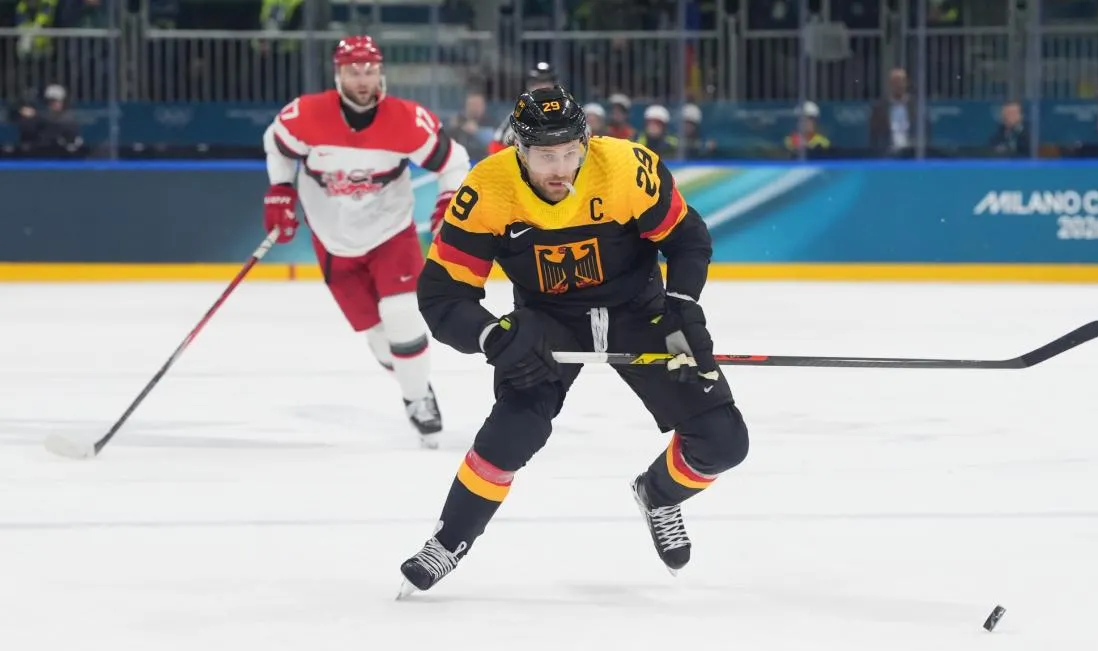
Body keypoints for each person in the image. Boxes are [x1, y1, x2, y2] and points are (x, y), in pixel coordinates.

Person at [396, 86, 750, 597]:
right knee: (513, 430)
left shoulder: (625, 167)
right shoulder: (487, 189)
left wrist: (683, 305)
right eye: (545, 156)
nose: (561, 168)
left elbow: (686, 238)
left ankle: (658, 494)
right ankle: (447, 542)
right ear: (519, 149)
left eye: (570, 152)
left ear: (586, 142)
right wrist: (492, 336)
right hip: (547, 319)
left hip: (643, 311)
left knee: (723, 441)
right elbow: (442, 294)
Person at [261, 35, 470, 447]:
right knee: (377, 336)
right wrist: (280, 189)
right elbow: (277, 145)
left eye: (370, 70)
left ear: (381, 74)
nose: (362, 79)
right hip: (332, 239)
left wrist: (449, 200)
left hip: (391, 231)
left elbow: (455, 161)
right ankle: (414, 383)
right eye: (353, 71)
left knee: (401, 314)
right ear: (338, 74)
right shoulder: (306, 115)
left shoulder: (407, 121)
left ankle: (417, 399)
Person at [487, 61, 558, 155]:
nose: (541, 87)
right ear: (530, 86)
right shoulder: (521, 111)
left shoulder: (566, 109)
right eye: (537, 83)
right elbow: (497, 145)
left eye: (546, 82)